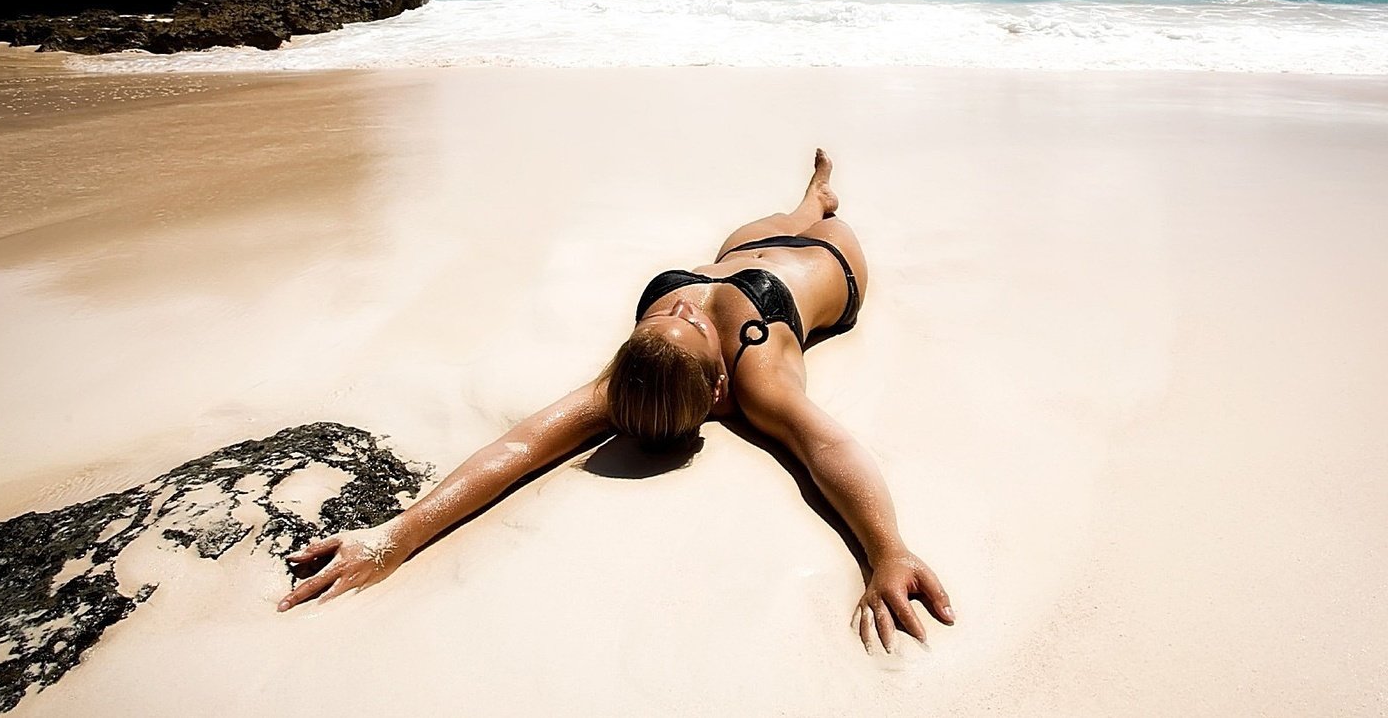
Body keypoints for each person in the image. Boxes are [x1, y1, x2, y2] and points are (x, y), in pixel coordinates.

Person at [278, 150, 954, 652]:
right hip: (829, 259)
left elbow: (518, 445)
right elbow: (827, 446)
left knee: (782, 217)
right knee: (804, 226)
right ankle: (819, 210)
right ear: (717, 392)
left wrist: (392, 538)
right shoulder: (753, 377)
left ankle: (813, 196)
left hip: (745, 249)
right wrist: (888, 550)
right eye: (681, 321)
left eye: (670, 316)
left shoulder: (643, 372)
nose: (684, 303)